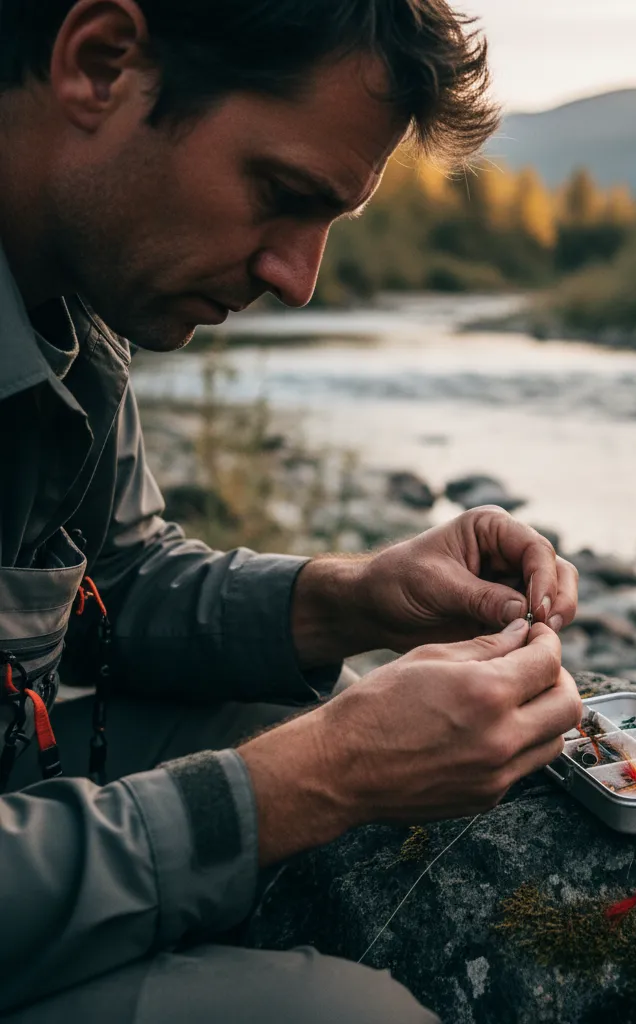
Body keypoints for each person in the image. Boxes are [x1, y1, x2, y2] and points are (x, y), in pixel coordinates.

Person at [0, 2, 582, 1021]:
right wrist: (314, 779)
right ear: (99, 65)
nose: (298, 279)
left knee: (292, 714)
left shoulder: (71, 306)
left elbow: (118, 583)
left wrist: (358, 597)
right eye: (280, 194)